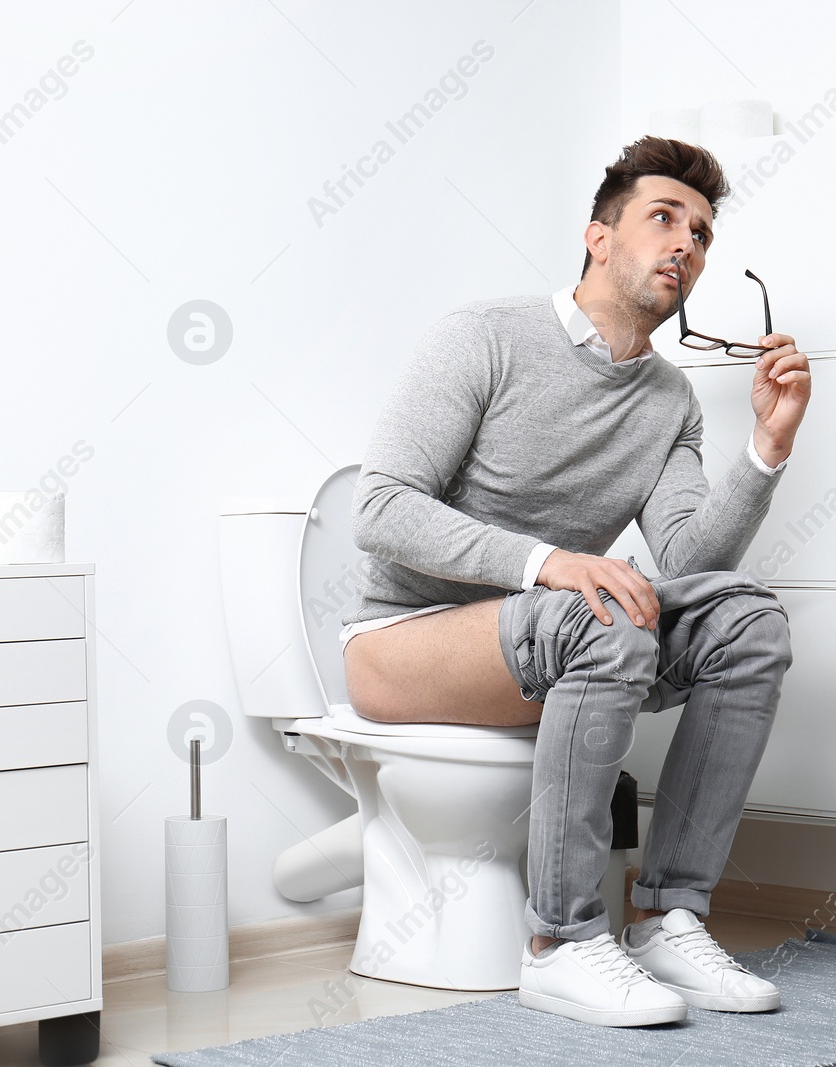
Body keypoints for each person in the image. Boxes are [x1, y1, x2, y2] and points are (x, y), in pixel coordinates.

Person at [339, 136, 812, 1027]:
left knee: (746, 622)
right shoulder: (484, 338)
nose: (686, 244)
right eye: (663, 218)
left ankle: (667, 916)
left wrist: (767, 447)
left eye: (702, 234)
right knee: (601, 614)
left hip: (555, 636)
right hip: (402, 643)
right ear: (599, 236)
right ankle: (559, 942)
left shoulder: (669, 402)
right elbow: (381, 508)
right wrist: (547, 562)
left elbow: (684, 562)